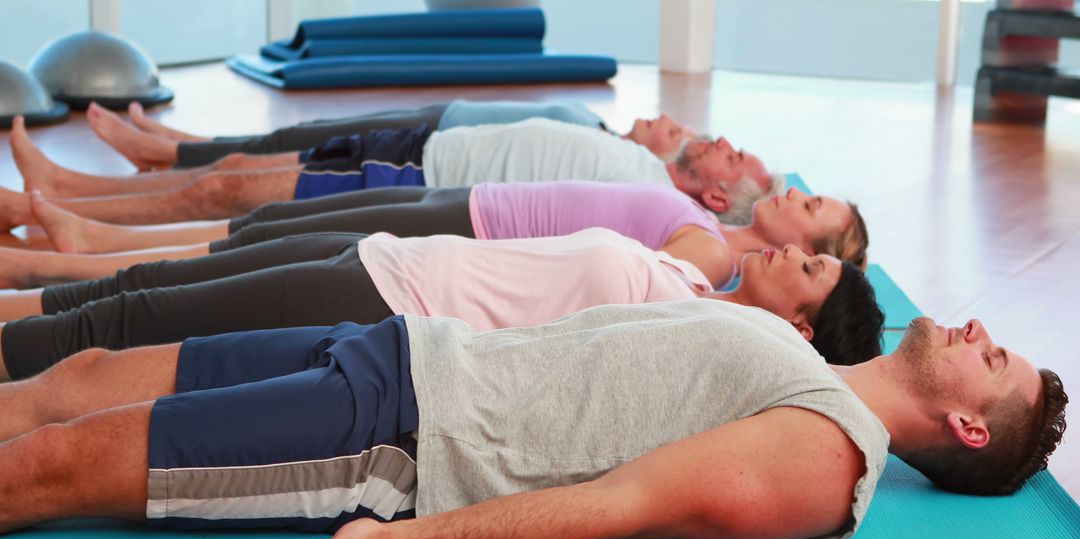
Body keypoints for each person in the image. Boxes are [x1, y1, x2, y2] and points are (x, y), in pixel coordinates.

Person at [0, 300, 1065, 539]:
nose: (978, 333)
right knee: (78, 378)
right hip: (403, 345)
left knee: (47, 465)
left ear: (969, 426)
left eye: (996, 357)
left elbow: (620, 507)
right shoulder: (805, 358)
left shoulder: (830, 451)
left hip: (403, 429)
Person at [0, 230, 882, 380]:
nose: (792, 255)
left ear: (798, 328)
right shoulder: (697, 278)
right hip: (389, 258)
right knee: (141, 291)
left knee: (119, 329)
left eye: (808, 270)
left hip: (383, 296)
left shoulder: (698, 326)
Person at [0, 181, 865, 291]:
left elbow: (598, 288)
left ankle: (61, 257)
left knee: (259, 248)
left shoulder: (708, 254)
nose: (798, 199)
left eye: (815, 213)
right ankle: (68, 247)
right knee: (268, 234)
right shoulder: (710, 223)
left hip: (467, 232)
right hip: (471, 209)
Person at [5, 115, 782, 228]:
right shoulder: (649, 162)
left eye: (734, 156)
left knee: (227, 191)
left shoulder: (656, 202)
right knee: (235, 169)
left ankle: (73, 215)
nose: (722, 141)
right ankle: (71, 191)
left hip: (417, 180)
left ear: (718, 194)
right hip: (427, 151)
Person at [85, 99, 687, 170]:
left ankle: (167, 154)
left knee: (304, 146)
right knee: (308, 131)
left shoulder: (609, 155)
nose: (665, 119)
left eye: (675, 131)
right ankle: (182, 147)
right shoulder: (600, 127)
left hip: (433, 141)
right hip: (440, 120)